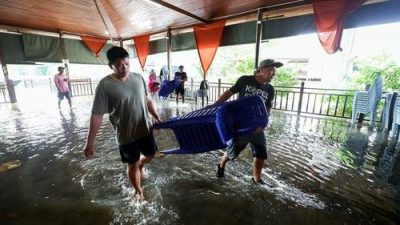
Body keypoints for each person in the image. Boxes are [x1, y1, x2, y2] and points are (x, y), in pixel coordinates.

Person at [83, 46, 161, 203]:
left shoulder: (138, 78)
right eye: (119, 65)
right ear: (111, 65)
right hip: (126, 134)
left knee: (151, 155)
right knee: (132, 164)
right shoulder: (105, 85)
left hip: (145, 129)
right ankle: (138, 191)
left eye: (127, 64)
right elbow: (97, 115)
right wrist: (89, 143)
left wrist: (156, 116)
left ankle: (141, 165)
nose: (124, 68)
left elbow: (147, 100)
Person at [215, 59, 283, 185]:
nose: (273, 73)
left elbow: (268, 108)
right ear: (261, 69)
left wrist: (263, 124)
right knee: (233, 152)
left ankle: (256, 178)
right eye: (271, 70)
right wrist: (216, 106)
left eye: (274, 71)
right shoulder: (245, 80)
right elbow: (229, 93)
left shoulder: (270, 89)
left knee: (261, 152)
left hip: (257, 125)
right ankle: (221, 163)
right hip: (241, 124)